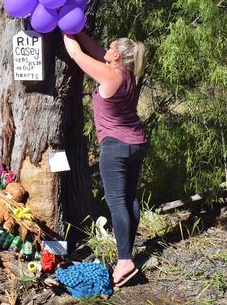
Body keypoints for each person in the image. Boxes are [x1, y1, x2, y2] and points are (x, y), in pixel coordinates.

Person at [63, 32, 148, 289]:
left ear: (118, 56)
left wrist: (64, 29)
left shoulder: (110, 75)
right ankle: (127, 254)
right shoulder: (129, 74)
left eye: (110, 47)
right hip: (137, 142)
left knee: (117, 202)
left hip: (115, 147)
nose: (105, 49)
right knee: (130, 198)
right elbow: (98, 52)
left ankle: (124, 261)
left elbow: (77, 55)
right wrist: (79, 31)